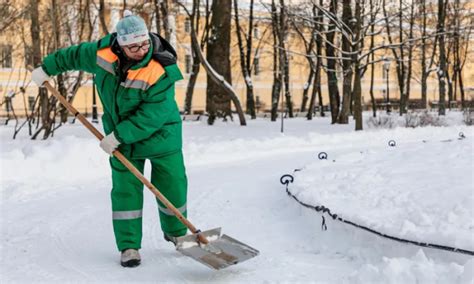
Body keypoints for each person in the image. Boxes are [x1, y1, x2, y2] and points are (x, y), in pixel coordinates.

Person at [31, 10, 188, 268]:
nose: (141, 50)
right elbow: (72, 55)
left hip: (162, 135)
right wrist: (46, 68)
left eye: (145, 43)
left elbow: (153, 114)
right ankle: (129, 246)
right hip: (121, 138)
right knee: (125, 192)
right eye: (134, 46)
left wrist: (118, 135)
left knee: (172, 185)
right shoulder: (102, 54)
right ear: (121, 45)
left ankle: (178, 233)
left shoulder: (162, 67)